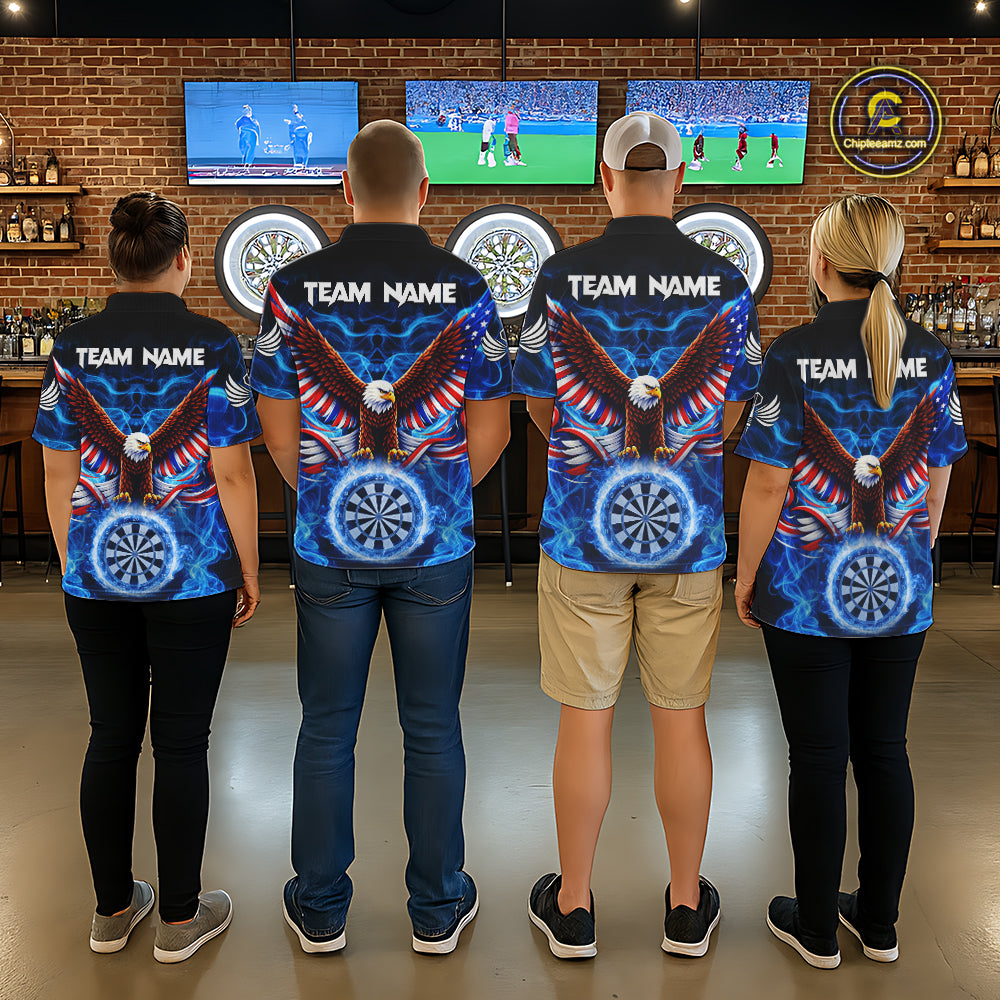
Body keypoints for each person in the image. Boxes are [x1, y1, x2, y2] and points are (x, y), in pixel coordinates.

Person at [251, 120, 511, 956]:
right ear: (426, 191)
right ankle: (436, 909)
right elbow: (494, 429)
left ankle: (320, 908)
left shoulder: (291, 288)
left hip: (329, 545)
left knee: (326, 727)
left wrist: (338, 498)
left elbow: (277, 428)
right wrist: (430, 500)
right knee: (432, 726)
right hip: (437, 547)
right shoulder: (468, 288)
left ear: (345, 190)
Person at [512, 111, 761, 960]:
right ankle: (686, 907)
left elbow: (539, 404)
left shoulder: (559, 276)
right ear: (682, 178)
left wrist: (588, 446)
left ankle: (574, 907)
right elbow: (731, 412)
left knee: (584, 720)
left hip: (582, 534)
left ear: (605, 179)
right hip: (687, 539)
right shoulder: (725, 283)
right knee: (681, 719)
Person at [734, 194, 966, 969]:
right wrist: (916, 553)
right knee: (885, 750)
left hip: (804, 593)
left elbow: (769, 483)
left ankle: (814, 929)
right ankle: (881, 922)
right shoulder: (931, 354)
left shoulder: (792, 354)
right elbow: (937, 478)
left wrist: (747, 575)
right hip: (900, 588)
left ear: (822, 261)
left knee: (818, 757)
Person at [33, 192, 261, 963]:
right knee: (182, 743)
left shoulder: (70, 348)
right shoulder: (214, 346)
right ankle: (179, 920)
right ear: (185, 260)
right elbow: (232, 474)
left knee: (110, 736)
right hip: (193, 578)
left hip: (95, 575)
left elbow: (58, 473)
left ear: (115, 263)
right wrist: (248, 568)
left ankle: (111, 910)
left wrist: (76, 564)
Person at [235, 104, 261, 170]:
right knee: (246, 150)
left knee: (248, 150)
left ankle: (247, 164)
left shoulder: (253, 121)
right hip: (246, 137)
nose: (248, 112)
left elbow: (257, 130)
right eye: (246, 111)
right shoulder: (242, 121)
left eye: (248, 111)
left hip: (250, 137)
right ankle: (246, 164)